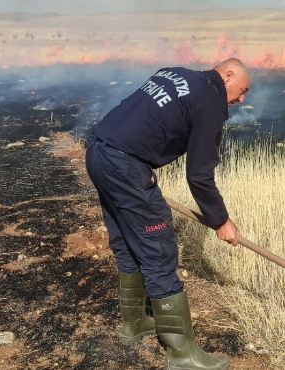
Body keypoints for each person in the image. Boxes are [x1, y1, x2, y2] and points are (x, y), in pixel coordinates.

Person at [85, 58, 250, 370]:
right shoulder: (211, 101)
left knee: (126, 241)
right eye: (242, 90)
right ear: (228, 75)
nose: (242, 99)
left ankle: (134, 325)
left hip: (99, 149)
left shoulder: (177, 73)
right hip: (125, 165)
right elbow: (199, 175)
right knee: (158, 251)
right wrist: (220, 220)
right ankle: (182, 354)